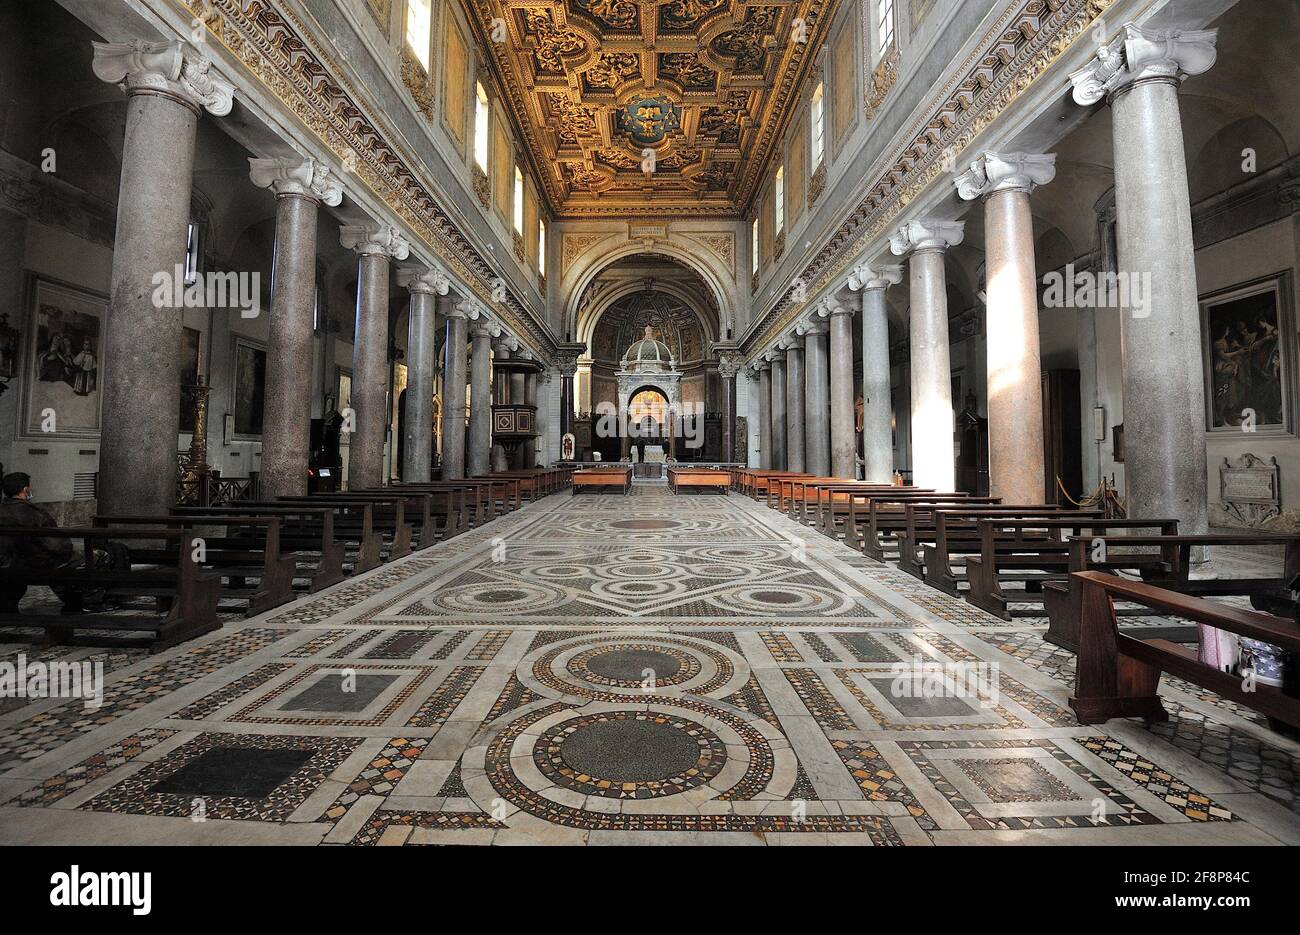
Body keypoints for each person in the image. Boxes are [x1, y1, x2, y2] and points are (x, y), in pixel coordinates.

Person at [0, 472, 79, 612]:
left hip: (8, 562)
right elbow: (56, 544)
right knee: (95, 558)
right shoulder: (33, 512)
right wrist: (66, 547)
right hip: (36, 563)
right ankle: (89, 601)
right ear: (25, 490)